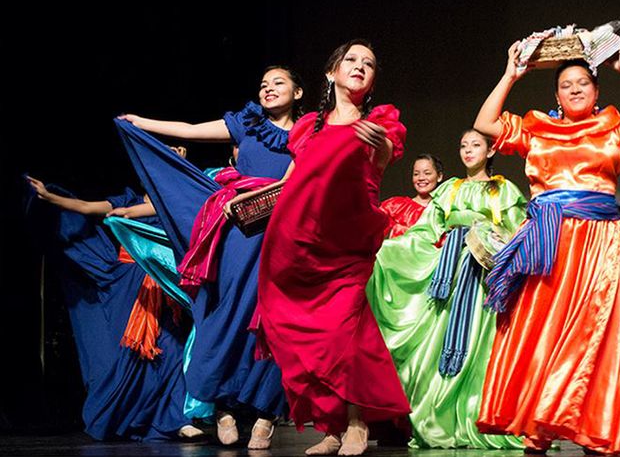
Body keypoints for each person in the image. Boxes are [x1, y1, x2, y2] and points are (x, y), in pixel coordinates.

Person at [473, 44, 620, 455]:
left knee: (593, 337)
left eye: (583, 82)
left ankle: (591, 426)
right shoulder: (537, 129)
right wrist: (511, 73)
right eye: (566, 84)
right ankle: (537, 429)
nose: (575, 89)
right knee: (540, 334)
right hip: (549, 244)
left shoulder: (614, 126)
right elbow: (486, 122)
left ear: (596, 90)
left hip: (601, 244)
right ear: (556, 96)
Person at [115, 65, 304, 448]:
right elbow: (188, 129)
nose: (268, 89)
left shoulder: (308, 133)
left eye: (278, 83)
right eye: (263, 84)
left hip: (280, 236)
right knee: (224, 319)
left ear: (298, 92)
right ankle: (223, 408)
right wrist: (141, 122)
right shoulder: (246, 124)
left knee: (272, 322)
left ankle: (266, 415)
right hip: (238, 234)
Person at [251, 40, 411, 456]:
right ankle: (332, 428)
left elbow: (383, 158)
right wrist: (246, 200)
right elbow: (291, 181)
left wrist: (380, 146)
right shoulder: (309, 127)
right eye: (351, 60)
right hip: (301, 244)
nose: (360, 66)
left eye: (369, 64)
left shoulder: (382, 120)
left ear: (373, 80)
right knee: (310, 337)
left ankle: (358, 422)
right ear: (332, 72)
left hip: (348, 245)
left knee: (347, 333)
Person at [366, 129, 526, 449]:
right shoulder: (450, 190)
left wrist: (490, 240)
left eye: (475, 145)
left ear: (490, 151)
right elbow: (425, 232)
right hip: (449, 278)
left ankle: (481, 414)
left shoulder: (502, 190)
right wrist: (389, 250)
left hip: (484, 280)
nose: (468, 151)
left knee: (482, 351)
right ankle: (442, 419)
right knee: (441, 346)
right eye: (463, 145)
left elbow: (517, 232)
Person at [24, 174, 198, 441]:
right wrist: (50, 197)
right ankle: (124, 419)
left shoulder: (173, 200)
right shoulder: (130, 200)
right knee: (131, 355)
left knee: (171, 351)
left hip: (162, 285)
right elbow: (85, 207)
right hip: (129, 284)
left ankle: (178, 420)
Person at [380, 153, 444, 238]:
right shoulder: (395, 207)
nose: (421, 178)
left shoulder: (443, 211)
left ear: (439, 176)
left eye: (427, 173)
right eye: (416, 174)